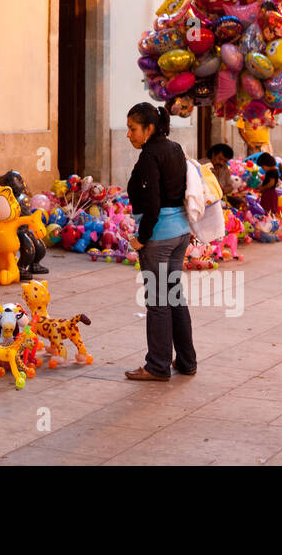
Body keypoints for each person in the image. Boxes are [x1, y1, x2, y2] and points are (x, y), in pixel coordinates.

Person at [123, 103, 196, 382]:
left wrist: (142, 238)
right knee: (174, 296)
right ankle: (187, 361)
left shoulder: (149, 157)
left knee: (157, 301)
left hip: (160, 235)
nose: (129, 135)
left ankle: (157, 365)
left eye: (133, 129)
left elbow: (152, 204)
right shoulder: (175, 148)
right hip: (180, 232)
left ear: (149, 129)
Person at [254, 152, 282, 218]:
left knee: (268, 208)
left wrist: (263, 188)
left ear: (268, 164)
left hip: (269, 194)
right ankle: (269, 220)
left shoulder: (272, 172)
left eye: (263, 167)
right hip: (270, 193)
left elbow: (271, 183)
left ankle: (270, 221)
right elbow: (277, 183)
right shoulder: (274, 171)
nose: (263, 169)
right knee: (268, 208)